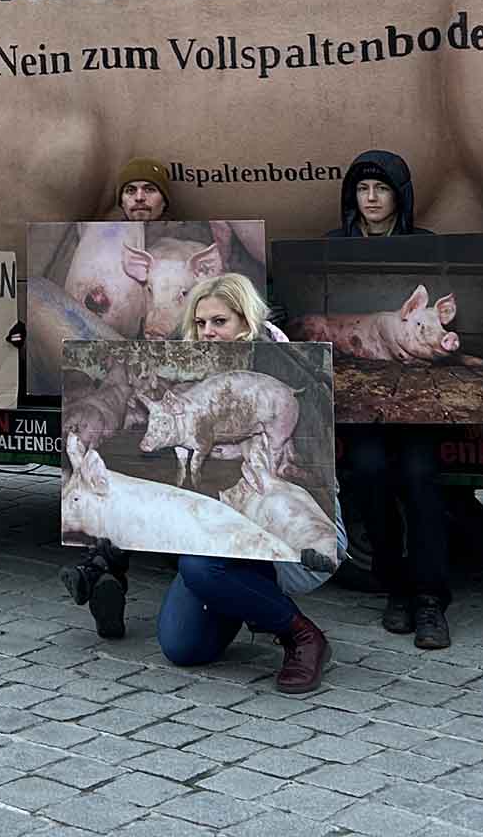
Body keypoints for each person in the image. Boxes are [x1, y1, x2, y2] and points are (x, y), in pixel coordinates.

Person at [154, 273, 343, 694]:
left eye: (220, 322)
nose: (208, 332)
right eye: (201, 323)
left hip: (280, 518)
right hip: (221, 525)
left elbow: (307, 456)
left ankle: (301, 635)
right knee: (184, 647)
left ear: (247, 321)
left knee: (200, 566)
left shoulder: (285, 364)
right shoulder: (192, 381)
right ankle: (243, 597)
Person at [331, 150, 453, 650]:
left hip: (417, 398)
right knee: (368, 471)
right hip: (359, 397)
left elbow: (434, 327)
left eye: (382, 189)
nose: (372, 198)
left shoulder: (425, 247)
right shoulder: (331, 247)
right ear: (352, 198)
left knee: (422, 477)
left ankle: (430, 597)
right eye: (363, 189)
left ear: (400, 196)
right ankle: (394, 587)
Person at [57, 154, 179, 637]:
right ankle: (105, 574)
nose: (139, 199)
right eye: (130, 191)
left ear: (164, 200)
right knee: (117, 467)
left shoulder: (176, 244)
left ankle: (101, 569)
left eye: (148, 191)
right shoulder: (101, 238)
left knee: (149, 469)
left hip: (170, 379)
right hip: (123, 371)